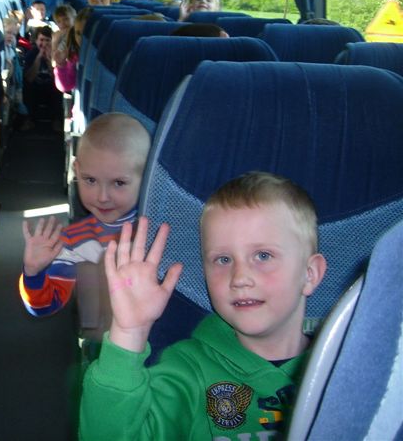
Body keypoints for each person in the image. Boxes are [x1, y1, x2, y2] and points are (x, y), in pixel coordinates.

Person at [79, 171, 328, 440]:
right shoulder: (189, 370)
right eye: (223, 260)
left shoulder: (343, 365)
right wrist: (129, 333)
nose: (240, 277)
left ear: (310, 274)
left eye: (263, 256)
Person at [20, 113, 151, 316]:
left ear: (147, 178)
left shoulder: (160, 225)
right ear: (77, 170)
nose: (102, 197)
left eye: (119, 183)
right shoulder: (74, 241)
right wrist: (33, 272)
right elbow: (45, 305)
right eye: (90, 180)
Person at [21, 25, 63, 130]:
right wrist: (38, 59)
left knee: (58, 89)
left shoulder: (56, 54)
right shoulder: (31, 53)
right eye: (41, 40)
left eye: (47, 40)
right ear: (36, 41)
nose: (44, 44)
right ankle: (28, 120)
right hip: (35, 87)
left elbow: (57, 79)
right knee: (28, 87)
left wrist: (49, 61)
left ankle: (57, 120)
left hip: (51, 87)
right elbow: (29, 78)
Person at [52, 6, 91, 94]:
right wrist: (60, 64)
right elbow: (66, 85)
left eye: (66, 19)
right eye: (59, 21)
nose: (63, 24)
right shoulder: (61, 40)